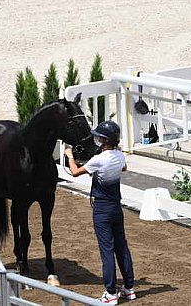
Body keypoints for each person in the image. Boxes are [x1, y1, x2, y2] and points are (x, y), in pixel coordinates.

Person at [65, 121, 135, 305]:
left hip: (102, 209)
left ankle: (111, 292)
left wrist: (69, 156)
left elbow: (74, 172)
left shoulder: (98, 160)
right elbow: (124, 168)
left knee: (107, 250)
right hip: (116, 207)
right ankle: (129, 288)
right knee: (122, 247)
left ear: (104, 140)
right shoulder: (119, 155)